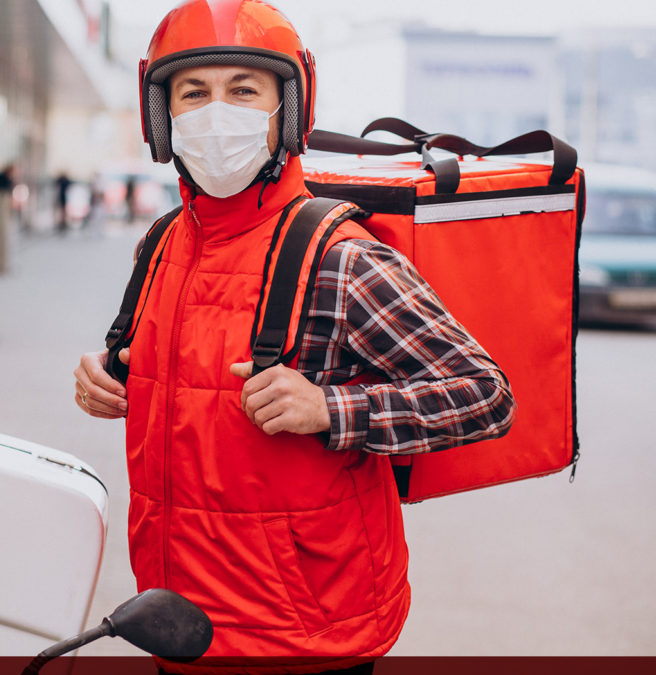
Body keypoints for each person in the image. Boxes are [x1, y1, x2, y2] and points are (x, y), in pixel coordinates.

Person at [72, 1, 517, 673]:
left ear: (288, 108)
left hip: (305, 639)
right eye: (194, 93)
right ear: (162, 116)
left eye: (243, 90)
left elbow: (487, 395)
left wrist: (331, 409)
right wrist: (107, 378)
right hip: (177, 619)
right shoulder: (160, 242)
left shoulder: (342, 257)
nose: (216, 112)